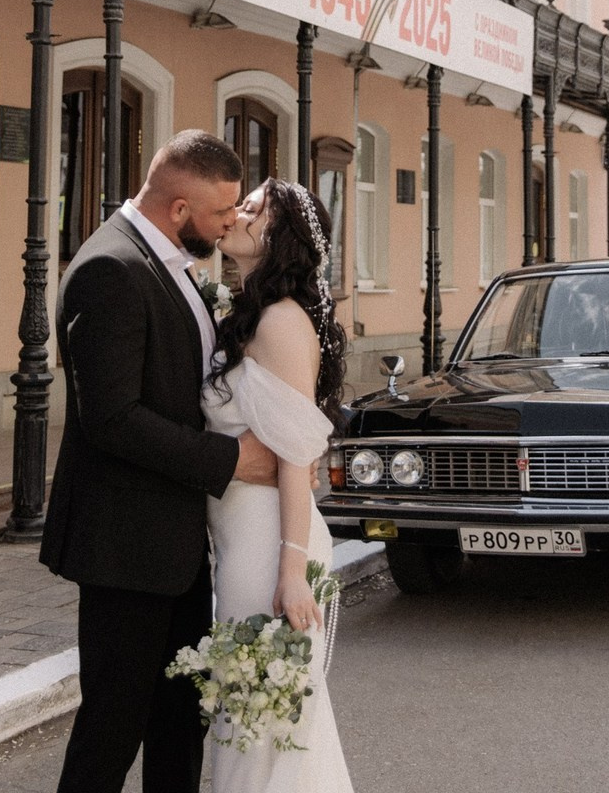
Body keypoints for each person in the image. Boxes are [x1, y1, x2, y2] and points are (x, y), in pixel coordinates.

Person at [41, 130, 276, 793]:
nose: (230, 223)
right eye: (220, 213)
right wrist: (230, 460)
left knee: (178, 721)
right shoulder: (108, 270)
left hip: (173, 548)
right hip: (124, 546)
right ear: (178, 210)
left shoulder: (173, 262)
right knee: (112, 729)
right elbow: (112, 420)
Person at [204, 177, 355, 792]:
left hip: (271, 544)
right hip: (240, 539)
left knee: (262, 728)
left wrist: (291, 572)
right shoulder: (249, 313)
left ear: (282, 238)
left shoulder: (283, 322)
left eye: (254, 208)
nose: (238, 213)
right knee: (249, 721)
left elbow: (295, 455)